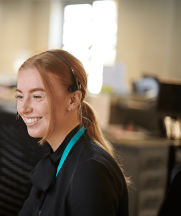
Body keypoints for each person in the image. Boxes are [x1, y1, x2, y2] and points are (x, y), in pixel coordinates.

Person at [16, 50, 129, 216]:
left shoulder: (89, 171)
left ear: (73, 99)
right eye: (20, 96)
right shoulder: (56, 159)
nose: (24, 109)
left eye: (37, 96)